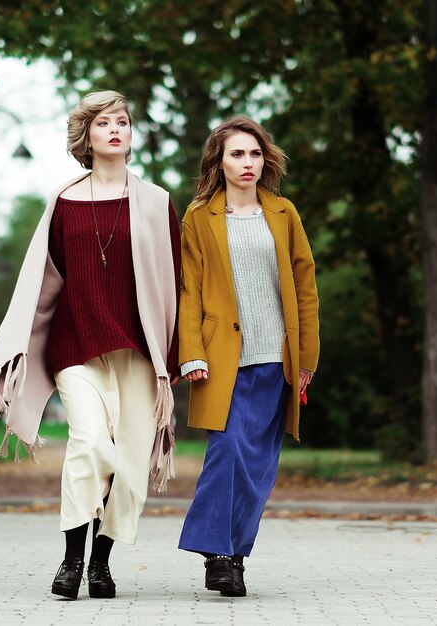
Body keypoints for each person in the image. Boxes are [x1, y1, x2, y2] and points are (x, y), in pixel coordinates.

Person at [0, 90, 180, 600]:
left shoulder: (157, 202)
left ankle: (101, 565)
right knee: (88, 443)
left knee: (131, 457)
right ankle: (71, 560)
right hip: (74, 346)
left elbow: (174, 282)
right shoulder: (64, 200)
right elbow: (42, 280)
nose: (116, 129)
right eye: (104, 123)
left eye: (123, 122)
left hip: (138, 349)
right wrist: (18, 346)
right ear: (86, 137)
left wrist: (178, 355)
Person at [177, 116, 319, 597]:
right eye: (237, 154)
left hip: (276, 357)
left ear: (266, 159)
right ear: (219, 160)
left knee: (259, 464)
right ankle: (215, 553)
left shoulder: (284, 213)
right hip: (220, 359)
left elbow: (305, 290)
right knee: (227, 452)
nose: (247, 162)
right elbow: (188, 292)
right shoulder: (198, 217)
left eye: (255, 153)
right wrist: (190, 352)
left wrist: (306, 360)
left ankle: (235, 556)